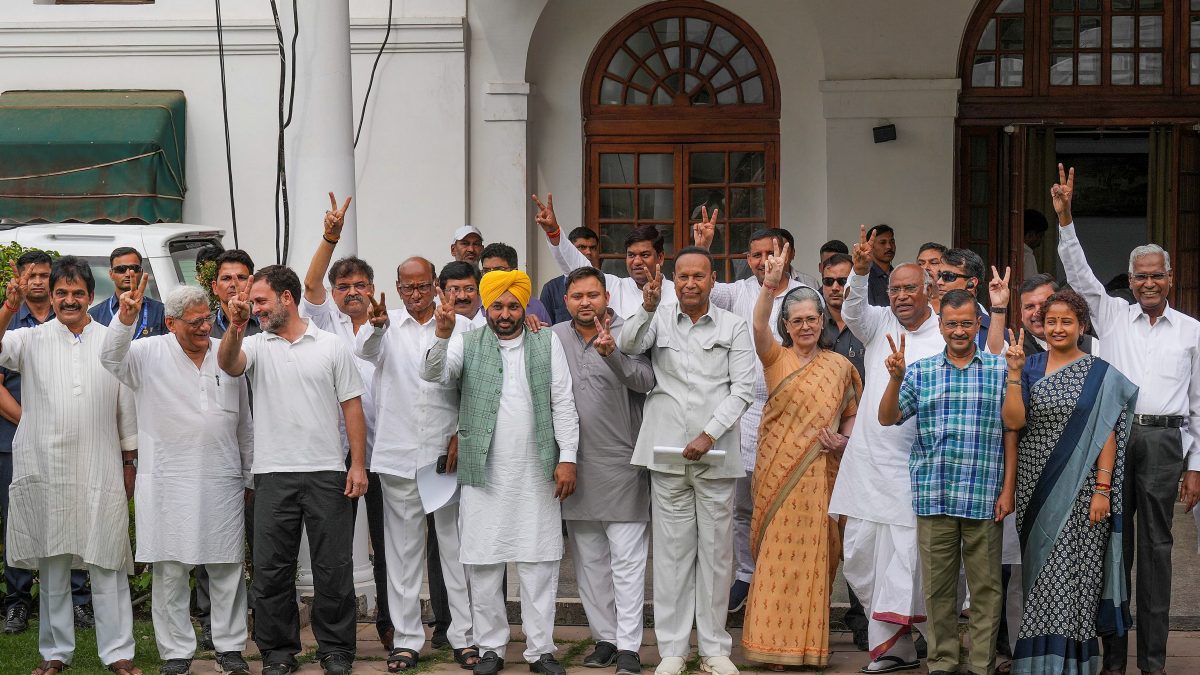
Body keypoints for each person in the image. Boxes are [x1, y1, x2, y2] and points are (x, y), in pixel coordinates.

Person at [1051, 164, 1200, 675]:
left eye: (1158, 274)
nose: (1150, 282)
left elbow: (1199, 403)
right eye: (1141, 276)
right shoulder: (1111, 315)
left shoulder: (1191, 331)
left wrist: (1195, 464)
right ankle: (1113, 660)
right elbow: (1078, 275)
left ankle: (1153, 663)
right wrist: (1066, 220)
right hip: (1113, 439)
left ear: (1170, 278)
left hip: (1164, 443)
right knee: (1114, 548)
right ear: (1131, 281)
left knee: (1157, 552)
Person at [421, 269, 580, 675]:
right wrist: (440, 335)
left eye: (513, 305)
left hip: (537, 471)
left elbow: (562, 403)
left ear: (524, 306)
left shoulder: (546, 342)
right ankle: (490, 647)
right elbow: (435, 373)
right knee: (485, 564)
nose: (505, 313)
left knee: (539, 563)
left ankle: (541, 650)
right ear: (486, 307)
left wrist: (568, 458)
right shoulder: (466, 340)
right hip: (484, 473)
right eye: (497, 306)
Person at [217, 264, 369, 675]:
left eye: (261, 301)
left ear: (287, 297)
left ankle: (336, 651)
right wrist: (236, 326)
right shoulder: (257, 345)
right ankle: (278, 653)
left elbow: (351, 406)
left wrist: (357, 464)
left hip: (326, 472)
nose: (256, 309)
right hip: (272, 473)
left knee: (333, 567)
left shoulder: (331, 345)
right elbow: (229, 364)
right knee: (270, 570)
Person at [99, 282, 254, 675]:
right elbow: (110, 358)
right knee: (170, 569)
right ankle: (176, 652)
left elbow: (245, 424)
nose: (205, 327)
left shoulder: (227, 352)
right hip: (168, 478)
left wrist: (249, 474)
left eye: (207, 319)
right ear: (171, 322)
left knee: (226, 565)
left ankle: (230, 646)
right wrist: (125, 319)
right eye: (195, 321)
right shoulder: (147, 353)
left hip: (222, 477)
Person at [617, 246, 755, 675]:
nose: (691, 283)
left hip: (714, 454)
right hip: (666, 452)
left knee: (716, 556)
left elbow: (744, 389)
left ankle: (715, 649)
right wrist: (647, 305)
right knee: (673, 555)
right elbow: (627, 345)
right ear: (674, 280)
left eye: (699, 276)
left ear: (713, 281)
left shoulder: (733, 325)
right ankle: (673, 649)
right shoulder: (657, 317)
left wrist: (709, 432)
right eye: (684, 277)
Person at [0, 256, 139, 675]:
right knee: (53, 560)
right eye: (61, 293)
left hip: (99, 463)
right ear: (51, 297)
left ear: (91, 297)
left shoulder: (110, 338)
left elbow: (125, 402)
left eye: (78, 292)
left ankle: (117, 652)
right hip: (47, 465)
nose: (69, 300)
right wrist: (8, 308)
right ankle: (55, 652)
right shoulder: (30, 339)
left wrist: (130, 458)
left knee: (107, 558)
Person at [878, 288, 1017, 675]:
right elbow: (887, 418)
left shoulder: (998, 370)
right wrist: (895, 379)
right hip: (934, 495)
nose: (959, 331)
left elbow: (1012, 431)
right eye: (951, 323)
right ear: (940, 326)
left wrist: (1008, 489)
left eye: (966, 324)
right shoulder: (920, 372)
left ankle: (980, 664)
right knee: (939, 590)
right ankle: (942, 662)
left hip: (983, 496)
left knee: (987, 590)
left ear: (978, 325)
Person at [1004, 289, 1138, 675]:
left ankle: (1075, 663)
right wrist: (1013, 375)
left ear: (1082, 326)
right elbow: (1013, 423)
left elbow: (1106, 433)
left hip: (1083, 493)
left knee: (1077, 575)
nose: (1058, 328)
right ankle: (1039, 663)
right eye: (1051, 321)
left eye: (1067, 321)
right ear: (1041, 327)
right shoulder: (1027, 366)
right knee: (1041, 576)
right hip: (1035, 486)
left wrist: (1102, 489)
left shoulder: (1099, 373)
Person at [740, 242, 861, 670]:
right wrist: (769, 288)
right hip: (777, 475)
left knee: (814, 559)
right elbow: (756, 328)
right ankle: (770, 647)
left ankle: (807, 649)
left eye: (813, 319)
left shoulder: (839, 366)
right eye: (797, 321)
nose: (806, 326)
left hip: (821, 477)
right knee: (775, 559)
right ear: (786, 326)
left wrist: (844, 442)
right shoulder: (777, 357)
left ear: (822, 321)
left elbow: (852, 415)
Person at [828, 226, 943, 674]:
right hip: (866, 463)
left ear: (928, 290)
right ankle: (895, 649)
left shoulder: (944, 334)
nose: (900, 297)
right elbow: (853, 309)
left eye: (909, 288)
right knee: (862, 554)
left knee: (906, 559)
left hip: (914, 467)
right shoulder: (879, 325)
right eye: (893, 288)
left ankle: (915, 645)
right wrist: (858, 272)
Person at [355, 256, 478, 672]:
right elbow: (364, 351)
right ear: (397, 286)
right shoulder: (382, 322)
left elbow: (468, 386)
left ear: (438, 286)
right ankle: (406, 639)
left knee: (455, 549)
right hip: (397, 452)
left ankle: (464, 637)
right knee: (402, 553)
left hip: (443, 455)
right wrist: (374, 327)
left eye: (422, 287)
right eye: (406, 288)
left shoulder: (465, 327)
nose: (414, 295)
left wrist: (463, 431)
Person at [689, 225, 811, 613]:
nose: (764, 262)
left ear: (787, 253)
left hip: (791, 411)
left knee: (783, 502)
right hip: (743, 412)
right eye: (756, 255)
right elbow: (700, 286)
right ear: (746, 259)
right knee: (742, 506)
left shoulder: (804, 295)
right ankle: (747, 574)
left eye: (771, 254)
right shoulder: (736, 292)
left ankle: (781, 577)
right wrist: (702, 247)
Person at [300, 193, 393, 651]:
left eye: (361, 283)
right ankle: (337, 641)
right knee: (335, 551)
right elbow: (311, 280)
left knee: (389, 548)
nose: (353, 290)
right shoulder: (323, 323)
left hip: (388, 453)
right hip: (338, 455)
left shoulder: (389, 322)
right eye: (345, 285)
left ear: (373, 288)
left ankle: (394, 630)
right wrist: (329, 237)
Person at [551, 267, 653, 675]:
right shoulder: (551, 337)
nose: (585, 302)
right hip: (573, 466)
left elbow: (646, 380)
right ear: (566, 299)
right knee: (589, 563)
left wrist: (614, 354)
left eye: (593, 294)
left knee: (627, 564)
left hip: (622, 463)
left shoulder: (630, 332)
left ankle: (629, 646)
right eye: (577, 296)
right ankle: (605, 639)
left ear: (606, 296)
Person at [1, 250, 92, 636]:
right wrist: (35, 421)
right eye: (31, 276)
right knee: (22, 520)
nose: (37, 282)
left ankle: (80, 602)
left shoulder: (84, 326)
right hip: (18, 438)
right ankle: (18, 603)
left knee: (75, 516)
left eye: (44, 275)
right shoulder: (19, 329)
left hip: (76, 443)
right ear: (20, 279)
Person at [816, 251, 868, 649]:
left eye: (844, 282)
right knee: (816, 536)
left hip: (861, 446)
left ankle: (863, 620)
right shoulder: (809, 325)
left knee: (856, 538)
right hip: (813, 450)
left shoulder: (867, 325)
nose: (837, 288)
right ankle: (809, 622)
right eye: (831, 281)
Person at [534, 193, 677, 318]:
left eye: (645, 255)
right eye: (631, 255)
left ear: (660, 257)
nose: (637, 261)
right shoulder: (613, 286)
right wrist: (554, 231)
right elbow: (575, 265)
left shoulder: (676, 292)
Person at [935, 248, 1007, 354]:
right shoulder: (927, 322)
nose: (939, 282)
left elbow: (997, 364)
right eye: (939, 276)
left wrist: (999, 307)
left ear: (971, 283)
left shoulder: (995, 330)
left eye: (948, 276)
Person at [88, 247, 168, 338]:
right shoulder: (95, 315)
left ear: (141, 272)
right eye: (121, 269)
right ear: (111, 274)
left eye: (134, 268)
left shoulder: (161, 311)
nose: (128, 274)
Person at [1018, 273, 1098, 356]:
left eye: (1044, 305)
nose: (1037, 313)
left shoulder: (1092, 346)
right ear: (1021, 313)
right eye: (1030, 306)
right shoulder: (1012, 348)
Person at [479, 242, 553, 325]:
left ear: (515, 271)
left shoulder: (536, 306)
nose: (491, 276)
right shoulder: (473, 305)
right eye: (486, 271)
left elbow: (546, 333)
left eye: (498, 270)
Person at [540, 227, 601, 324]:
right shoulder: (551, 289)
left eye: (593, 248)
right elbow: (544, 328)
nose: (588, 252)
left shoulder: (604, 284)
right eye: (582, 247)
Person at [209, 249, 261, 339]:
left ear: (252, 284)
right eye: (226, 278)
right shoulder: (206, 328)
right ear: (215, 287)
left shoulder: (266, 322)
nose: (233, 284)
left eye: (241, 277)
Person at [865, 225, 896, 307]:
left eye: (892, 242)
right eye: (883, 242)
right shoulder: (865, 277)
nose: (889, 246)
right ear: (870, 247)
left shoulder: (898, 275)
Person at [916, 243, 947, 313]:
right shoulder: (911, 299)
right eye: (920, 264)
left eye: (933, 263)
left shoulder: (953, 299)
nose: (925, 267)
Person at [1022, 210, 1049, 280]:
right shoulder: (1028, 257)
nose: (1041, 240)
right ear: (1030, 235)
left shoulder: (1011, 252)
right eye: (1040, 236)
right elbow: (1031, 287)